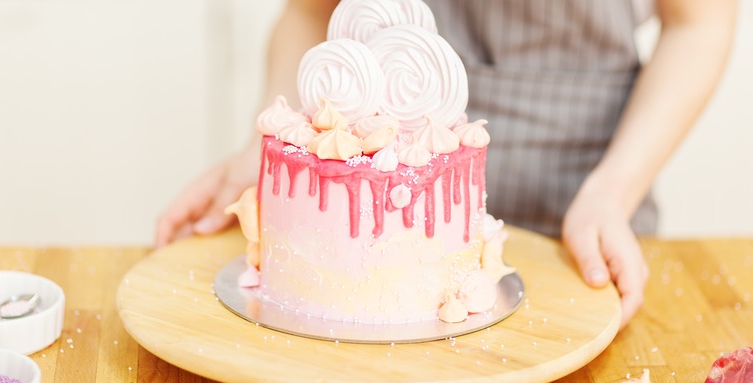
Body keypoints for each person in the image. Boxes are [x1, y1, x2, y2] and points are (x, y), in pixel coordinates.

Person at [155, 0, 737, 328]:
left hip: (589, 200)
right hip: (370, 214)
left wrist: (614, 191)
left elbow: (702, 20)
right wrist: (274, 142)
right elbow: (310, 14)